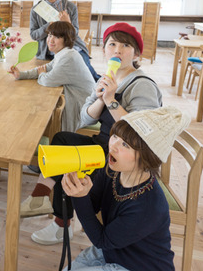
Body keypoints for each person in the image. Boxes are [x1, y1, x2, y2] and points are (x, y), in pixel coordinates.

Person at [21, 22, 162, 246]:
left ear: (136, 54)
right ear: (104, 50)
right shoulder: (108, 78)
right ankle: (41, 196)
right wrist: (100, 98)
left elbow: (141, 133)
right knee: (62, 139)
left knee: (70, 162)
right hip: (103, 145)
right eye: (112, 44)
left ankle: (59, 224)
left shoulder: (142, 85)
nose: (117, 50)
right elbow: (85, 119)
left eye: (125, 46)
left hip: (125, 158)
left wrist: (111, 100)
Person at [62, 106, 189, 271]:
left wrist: (79, 197)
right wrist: (79, 191)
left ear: (146, 158)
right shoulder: (112, 169)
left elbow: (101, 240)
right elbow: (92, 205)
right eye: (115, 135)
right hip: (113, 251)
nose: (113, 146)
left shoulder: (149, 207)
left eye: (125, 144)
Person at [9, 21, 94, 133]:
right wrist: (21, 75)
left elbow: (47, 80)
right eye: (49, 35)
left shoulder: (68, 58)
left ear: (66, 39)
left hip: (84, 109)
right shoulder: (64, 53)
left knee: (38, 113)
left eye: (57, 37)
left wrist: (42, 74)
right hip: (82, 103)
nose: (50, 40)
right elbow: (45, 68)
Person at [30, 0, 100, 81]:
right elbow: (34, 35)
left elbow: (75, 33)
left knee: (87, 70)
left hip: (72, 47)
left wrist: (68, 23)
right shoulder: (36, 9)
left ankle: (102, 85)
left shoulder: (70, 7)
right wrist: (49, 26)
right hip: (48, 52)